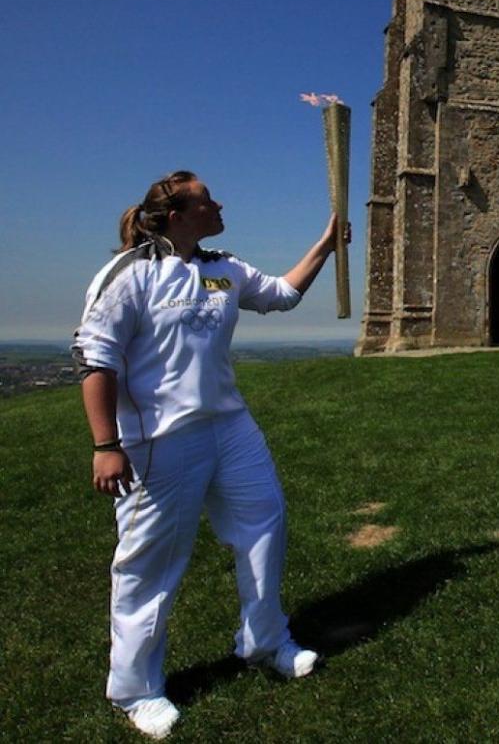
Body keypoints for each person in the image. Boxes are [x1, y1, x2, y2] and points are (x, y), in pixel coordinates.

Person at [72, 170, 349, 740]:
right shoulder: (129, 275)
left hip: (229, 425)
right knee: (150, 561)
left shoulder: (223, 268)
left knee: (264, 520)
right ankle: (137, 689)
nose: (220, 205)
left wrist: (326, 245)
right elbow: (96, 360)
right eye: (207, 201)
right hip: (160, 439)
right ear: (177, 215)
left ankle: (265, 639)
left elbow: (282, 295)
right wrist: (106, 445)